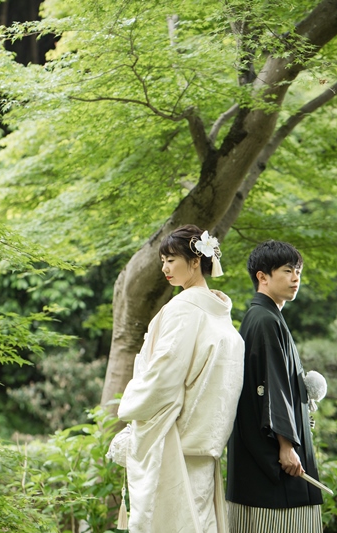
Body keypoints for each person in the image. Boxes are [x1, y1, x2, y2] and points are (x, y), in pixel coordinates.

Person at [114, 224, 245, 533]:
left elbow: (164, 373)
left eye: (171, 260)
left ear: (195, 260)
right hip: (205, 439)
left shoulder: (183, 309)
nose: (164, 268)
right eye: (163, 261)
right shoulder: (220, 313)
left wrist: (131, 404)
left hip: (174, 439)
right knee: (200, 519)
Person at [225, 240, 323, 532]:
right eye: (287, 271)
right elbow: (273, 386)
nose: (296, 278)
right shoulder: (265, 320)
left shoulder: (263, 317)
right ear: (262, 276)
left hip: (262, 452)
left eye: (298, 272)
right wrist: (286, 445)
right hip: (273, 456)